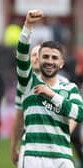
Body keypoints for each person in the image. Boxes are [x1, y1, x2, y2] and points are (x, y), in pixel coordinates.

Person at [14, 9, 83, 168]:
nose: (49, 61)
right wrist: (28, 26)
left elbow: (78, 114)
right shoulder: (28, 82)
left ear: (61, 63)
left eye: (54, 58)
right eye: (45, 57)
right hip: (33, 157)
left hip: (62, 157)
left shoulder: (70, 88)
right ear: (38, 59)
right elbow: (21, 56)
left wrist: (51, 95)